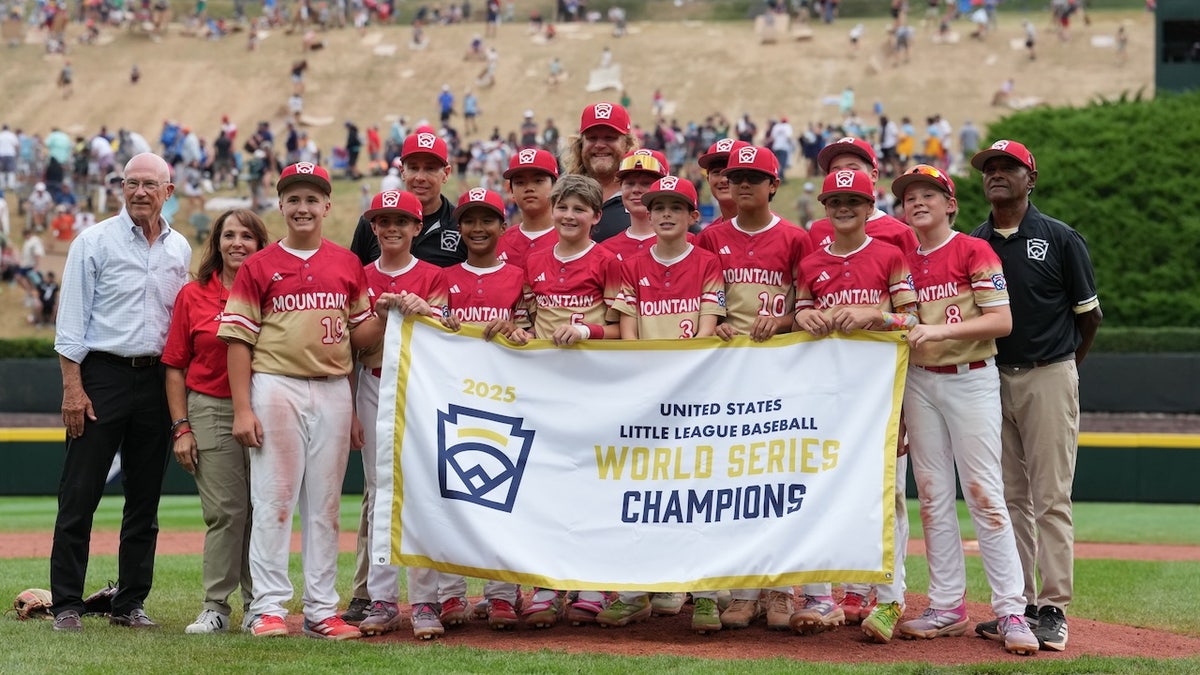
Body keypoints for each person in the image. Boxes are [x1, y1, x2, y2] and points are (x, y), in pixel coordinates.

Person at [218, 162, 385, 640]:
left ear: (328, 206)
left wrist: (391, 312)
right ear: (282, 205)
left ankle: (320, 610)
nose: (303, 206)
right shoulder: (259, 265)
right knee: (273, 499)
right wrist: (243, 408)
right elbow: (237, 341)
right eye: (294, 198)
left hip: (333, 387)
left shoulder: (347, 263)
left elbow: (361, 336)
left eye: (312, 198)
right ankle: (268, 608)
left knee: (326, 505)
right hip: (276, 385)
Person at [888, 164, 1039, 656]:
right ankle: (947, 604)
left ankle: (1011, 609)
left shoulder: (974, 249)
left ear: (951, 204)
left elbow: (1001, 320)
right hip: (920, 382)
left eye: (930, 193)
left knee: (984, 493)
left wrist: (939, 331)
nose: (918, 201)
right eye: (910, 196)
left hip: (970, 377)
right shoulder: (900, 256)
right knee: (931, 495)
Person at [49, 152, 192, 632]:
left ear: (168, 192)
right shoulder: (93, 242)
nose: (140, 192)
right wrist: (73, 389)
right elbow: (70, 325)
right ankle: (66, 603)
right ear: (121, 188)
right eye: (132, 183)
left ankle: (129, 603)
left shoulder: (180, 250)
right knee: (79, 494)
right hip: (102, 377)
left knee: (145, 500)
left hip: (156, 380)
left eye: (150, 184)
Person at [968, 140, 1101, 653]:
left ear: (1032, 178)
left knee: (1050, 496)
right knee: (1009, 497)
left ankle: (1053, 608)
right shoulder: (974, 242)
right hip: (989, 378)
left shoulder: (1060, 238)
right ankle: (1019, 607)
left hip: (1048, 373)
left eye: (1009, 168)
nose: (997, 174)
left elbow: (1088, 315)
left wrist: (1066, 367)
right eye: (990, 168)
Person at [792, 168, 917, 642]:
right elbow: (802, 310)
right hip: (825, 393)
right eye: (834, 201)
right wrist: (810, 317)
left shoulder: (890, 255)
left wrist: (873, 314)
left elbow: (910, 319)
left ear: (870, 208)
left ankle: (889, 600)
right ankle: (821, 596)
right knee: (816, 489)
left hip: (882, 394)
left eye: (853, 201)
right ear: (824, 207)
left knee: (888, 499)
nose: (843, 208)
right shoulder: (811, 263)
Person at [602, 176, 726, 634]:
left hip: (696, 396)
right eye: (659, 207)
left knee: (702, 498)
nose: (666, 214)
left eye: (677, 206)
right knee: (644, 497)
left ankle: (708, 594)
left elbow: (709, 329)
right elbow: (629, 334)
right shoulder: (631, 264)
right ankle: (636, 592)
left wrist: (680, 382)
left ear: (695, 216)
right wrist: (646, 385)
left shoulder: (709, 262)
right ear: (648, 214)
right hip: (647, 397)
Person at [695, 146, 809, 631]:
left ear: (773, 185)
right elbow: (703, 300)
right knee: (736, 484)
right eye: (736, 176)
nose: (742, 184)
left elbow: (808, 306)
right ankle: (743, 591)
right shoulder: (710, 238)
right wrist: (714, 324)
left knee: (778, 481)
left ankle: (780, 591)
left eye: (754, 177)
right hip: (728, 374)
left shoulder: (795, 238)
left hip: (783, 369)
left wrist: (781, 322)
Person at [519, 173, 621, 627]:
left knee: (594, 484)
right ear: (552, 209)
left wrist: (587, 330)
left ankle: (594, 581)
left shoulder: (608, 260)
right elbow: (524, 320)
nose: (569, 215)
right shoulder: (534, 260)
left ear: (596, 217)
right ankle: (546, 582)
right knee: (546, 486)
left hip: (593, 389)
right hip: (544, 393)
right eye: (563, 207)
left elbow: (623, 329)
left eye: (580, 209)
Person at [162, 209, 270, 634]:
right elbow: (174, 367)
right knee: (226, 512)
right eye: (229, 235)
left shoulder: (273, 293)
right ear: (217, 243)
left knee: (263, 510)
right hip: (209, 407)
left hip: (266, 405)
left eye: (247, 235)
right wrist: (181, 427)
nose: (237, 243)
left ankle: (261, 604)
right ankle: (217, 606)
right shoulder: (193, 295)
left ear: (261, 244)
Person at [350, 189, 448, 639]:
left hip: (419, 388)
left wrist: (425, 310)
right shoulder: (359, 275)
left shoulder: (432, 274)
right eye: (383, 221)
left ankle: (425, 599)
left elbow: (450, 333)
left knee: (421, 489)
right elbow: (351, 347)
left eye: (401, 221)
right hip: (372, 382)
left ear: (416, 227)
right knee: (379, 490)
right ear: (373, 228)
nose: (391, 228)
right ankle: (383, 598)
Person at [438, 188, 533, 632]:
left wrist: (516, 328)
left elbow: (533, 330)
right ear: (459, 228)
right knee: (449, 496)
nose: (478, 228)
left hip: (504, 399)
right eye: (469, 221)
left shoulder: (519, 275)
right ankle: (449, 593)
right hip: (451, 397)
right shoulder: (443, 278)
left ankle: (501, 595)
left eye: (487, 220)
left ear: (502, 226)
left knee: (503, 498)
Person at [348, 129, 467, 268]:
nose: (420, 177)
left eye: (430, 168)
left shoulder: (461, 225)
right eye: (413, 168)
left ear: (446, 174)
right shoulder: (371, 222)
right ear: (402, 172)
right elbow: (353, 280)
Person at [561, 102, 637, 242]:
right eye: (592, 138)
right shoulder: (563, 193)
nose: (600, 145)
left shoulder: (643, 196)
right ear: (581, 144)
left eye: (610, 138)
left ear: (627, 144)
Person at [496, 147, 558, 271]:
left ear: (555, 186)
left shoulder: (573, 236)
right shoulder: (499, 242)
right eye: (520, 182)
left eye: (538, 181)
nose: (529, 188)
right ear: (511, 190)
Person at [602, 149, 669, 262]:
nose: (636, 189)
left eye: (646, 183)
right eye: (630, 183)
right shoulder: (606, 249)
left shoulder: (686, 242)